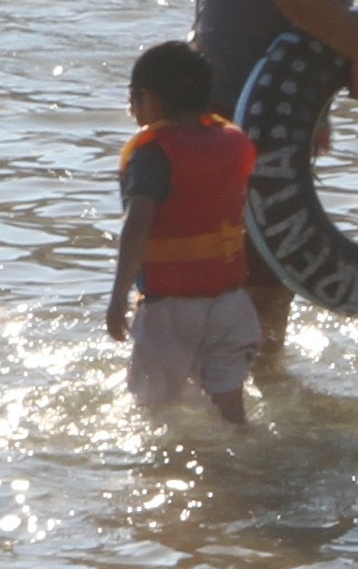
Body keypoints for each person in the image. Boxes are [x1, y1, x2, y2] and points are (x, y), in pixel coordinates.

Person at [105, 40, 263, 430]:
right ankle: (244, 453)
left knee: (153, 410)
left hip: (169, 309)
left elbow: (138, 224)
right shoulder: (232, 142)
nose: (131, 108)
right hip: (231, 302)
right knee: (231, 407)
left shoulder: (153, 153)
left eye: (134, 97)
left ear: (151, 100)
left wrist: (118, 295)